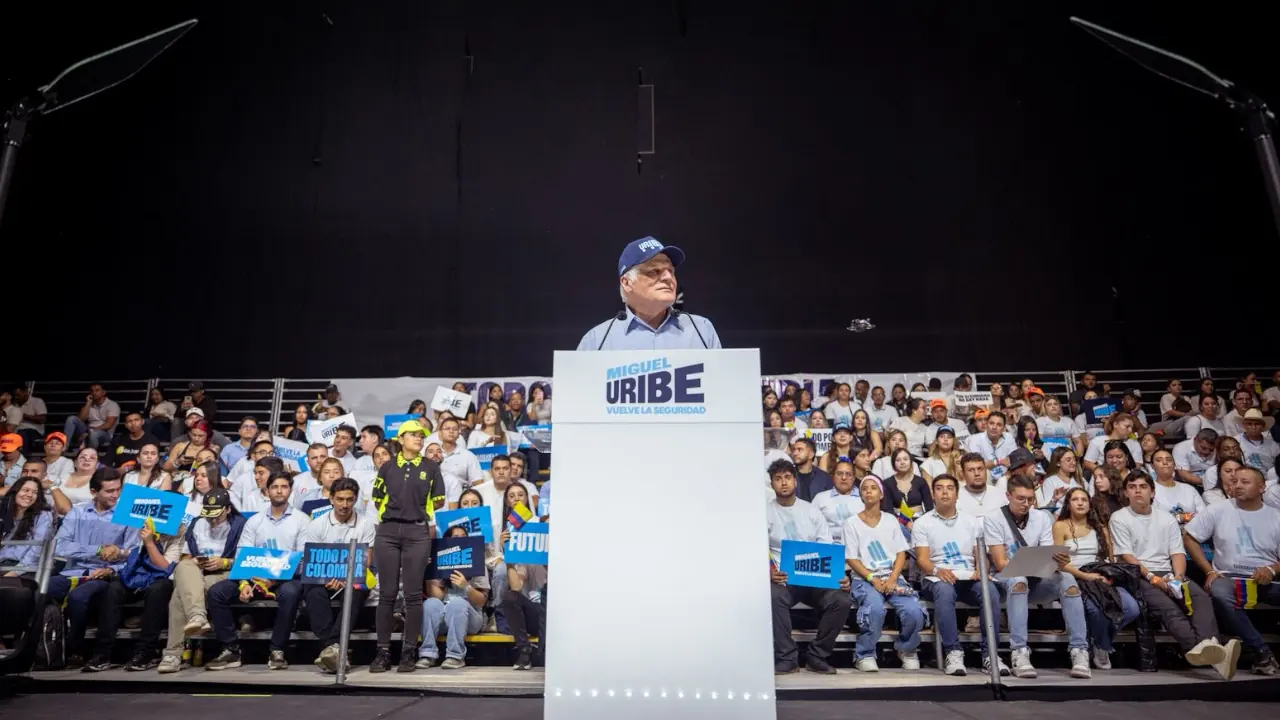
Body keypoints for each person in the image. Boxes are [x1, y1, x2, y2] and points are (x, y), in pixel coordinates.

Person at [1109, 470, 1238, 679]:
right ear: (1126, 493)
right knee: (1168, 608)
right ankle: (1208, 653)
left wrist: (1178, 577)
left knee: (1200, 597)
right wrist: (1153, 579)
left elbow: (1177, 552)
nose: (1137, 491)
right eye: (1132, 487)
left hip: (1169, 572)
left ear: (1152, 492)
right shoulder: (1119, 517)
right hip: (1137, 575)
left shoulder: (1166, 518)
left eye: (1143, 487)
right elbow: (1128, 556)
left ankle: (1210, 649)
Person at [985, 474, 1091, 678]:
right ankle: (1019, 651)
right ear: (1008, 496)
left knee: (1068, 580)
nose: (1026, 504)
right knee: (1018, 580)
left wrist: (1057, 561)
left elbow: (1046, 555)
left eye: (1030, 499)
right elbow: (1000, 563)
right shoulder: (994, 518)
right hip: (1005, 580)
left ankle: (1079, 650)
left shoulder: (1041, 517)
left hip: (1035, 577)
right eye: (1020, 499)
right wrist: (1037, 563)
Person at [205, 470, 309, 671]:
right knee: (216, 592)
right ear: (267, 491)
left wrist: (273, 580)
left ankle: (277, 650)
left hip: (286, 579)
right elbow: (243, 556)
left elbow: (302, 560)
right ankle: (230, 649)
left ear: (291, 490)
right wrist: (244, 583)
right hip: (254, 577)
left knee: (290, 593)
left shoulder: (302, 520)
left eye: (284, 487)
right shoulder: (254, 521)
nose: (279, 491)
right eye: (275, 487)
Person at [1184, 466, 1280, 676]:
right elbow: (1189, 537)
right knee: (1220, 593)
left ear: (1262, 487)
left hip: (1266, 580)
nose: (1237, 486)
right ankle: (1261, 651)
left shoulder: (1275, 516)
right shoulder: (1218, 509)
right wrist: (1209, 570)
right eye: (1234, 481)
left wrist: (1272, 569)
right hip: (1228, 578)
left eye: (1245, 482)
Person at [370, 419, 447, 673]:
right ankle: (382, 652)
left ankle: (408, 651)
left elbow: (438, 501)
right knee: (387, 593)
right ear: (401, 439)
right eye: (413, 434)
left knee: (413, 594)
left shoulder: (431, 467)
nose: (419, 438)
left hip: (417, 531)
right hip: (388, 532)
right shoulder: (387, 467)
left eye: (421, 435)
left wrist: (415, 512)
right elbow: (377, 499)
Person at [911, 473, 1006, 676]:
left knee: (990, 591)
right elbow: (922, 560)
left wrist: (981, 569)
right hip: (935, 577)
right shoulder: (923, 523)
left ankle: (990, 654)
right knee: (944, 591)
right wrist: (938, 570)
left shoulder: (972, 522)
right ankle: (953, 652)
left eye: (950, 488)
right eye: (939, 488)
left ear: (957, 494)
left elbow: (980, 555)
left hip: (968, 577)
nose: (945, 492)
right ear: (933, 494)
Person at [46, 472, 140, 671]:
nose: (115, 495)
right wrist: (97, 550)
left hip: (104, 575)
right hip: (73, 572)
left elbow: (133, 554)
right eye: (109, 491)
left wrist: (112, 567)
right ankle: (39, 649)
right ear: (94, 492)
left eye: (118, 490)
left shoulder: (129, 515)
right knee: (40, 590)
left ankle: (76, 650)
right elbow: (59, 546)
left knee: (78, 597)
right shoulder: (77, 512)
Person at [766, 459, 851, 674]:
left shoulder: (811, 510)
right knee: (773, 597)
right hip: (784, 579)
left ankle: (817, 656)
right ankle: (787, 658)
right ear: (772, 484)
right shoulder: (764, 512)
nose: (783, 482)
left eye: (787, 477)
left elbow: (826, 546)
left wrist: (838, 576)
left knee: (841, 600)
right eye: (778, 479)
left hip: (815, 577)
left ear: (795, 481)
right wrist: (769, 573)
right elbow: (756, 549)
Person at [158, 488, 247, 673]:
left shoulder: (240, 525)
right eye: (209, 515)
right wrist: (196, 561)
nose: (212, 520)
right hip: (198, 571)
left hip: (227, 574)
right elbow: (185, 556)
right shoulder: (197, 523)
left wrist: (225, 562)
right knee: (183, 566)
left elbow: (246, 560)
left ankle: (172, 654)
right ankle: (197, 616)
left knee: (178, 595)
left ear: (228, 509)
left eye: (217, 516)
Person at [577, 237, 721, 350]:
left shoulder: (701, 330)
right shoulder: (596, 341)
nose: (668, 277)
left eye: (671, 271)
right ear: (627, 283)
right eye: (654, 271)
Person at [1052, 488, 1141, 670]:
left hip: (1099, 575)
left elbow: (1109, 559)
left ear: (1089, 503)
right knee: (1096, 611)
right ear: (1068, 504)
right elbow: (1059, 563)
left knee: (1132, 608)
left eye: (1084, 499)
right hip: (1074, 577)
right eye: (1075, 499)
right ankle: (1102, 646)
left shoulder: (1100, 528)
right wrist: (1086, 576)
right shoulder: (1060, 526)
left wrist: (1105, 576)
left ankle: (1101, 642)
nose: (1080, 503)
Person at [843, 475, 924, 672]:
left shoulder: (891, 521)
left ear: (881, 494)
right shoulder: (851, 523)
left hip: (892, 576)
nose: (868, 491)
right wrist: (872, 578)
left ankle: (907, 649)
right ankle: (865, 653)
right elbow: (851, 558)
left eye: (873, 488)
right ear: (861, 495)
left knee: (914, 610)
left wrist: (893, 578)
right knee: (875, 608)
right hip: (864, 578)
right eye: (864, 488)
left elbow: (901, 553)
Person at [305, 477, 376, 675]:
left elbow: (366, 562)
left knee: (356, 592)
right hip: (323, 578)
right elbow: (313, 561)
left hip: (353, 578)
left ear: (355, 500)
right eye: (340, 499)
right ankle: (336, 649)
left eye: (349, 499)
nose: (344, 504)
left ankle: (331, 648)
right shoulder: (317, 524)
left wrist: (345, 580)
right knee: (313, 593)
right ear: (331, 499)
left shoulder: (366, 525)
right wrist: (327, 579)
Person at [0, 476, 53, 575]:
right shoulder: (4, 511)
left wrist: (14, 573)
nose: (30, 495)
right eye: (26, 490)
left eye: (35, 492)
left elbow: (36, 552)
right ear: (15, 492)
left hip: (23, 568)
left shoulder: (43, 516)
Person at [811, 458, 865, 542]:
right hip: (827, 546)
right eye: (839, 474)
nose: (844, 478)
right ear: (833, 476)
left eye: (848, 474)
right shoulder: (820, 498)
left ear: (854, 478)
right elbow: (811, 525)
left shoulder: (864, 499)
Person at [956, 452, 1008, 517]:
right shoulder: (956, 498)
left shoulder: (999, 494)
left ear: (986, 470)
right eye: (971, 470)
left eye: (980, 469)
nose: (977, 473)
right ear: (963, 473)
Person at [788, 436, 832, 502]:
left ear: (811, 455)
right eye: (794, 450)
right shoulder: (788, 476)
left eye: (800, 450)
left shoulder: (824, 478)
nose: (795, 453)